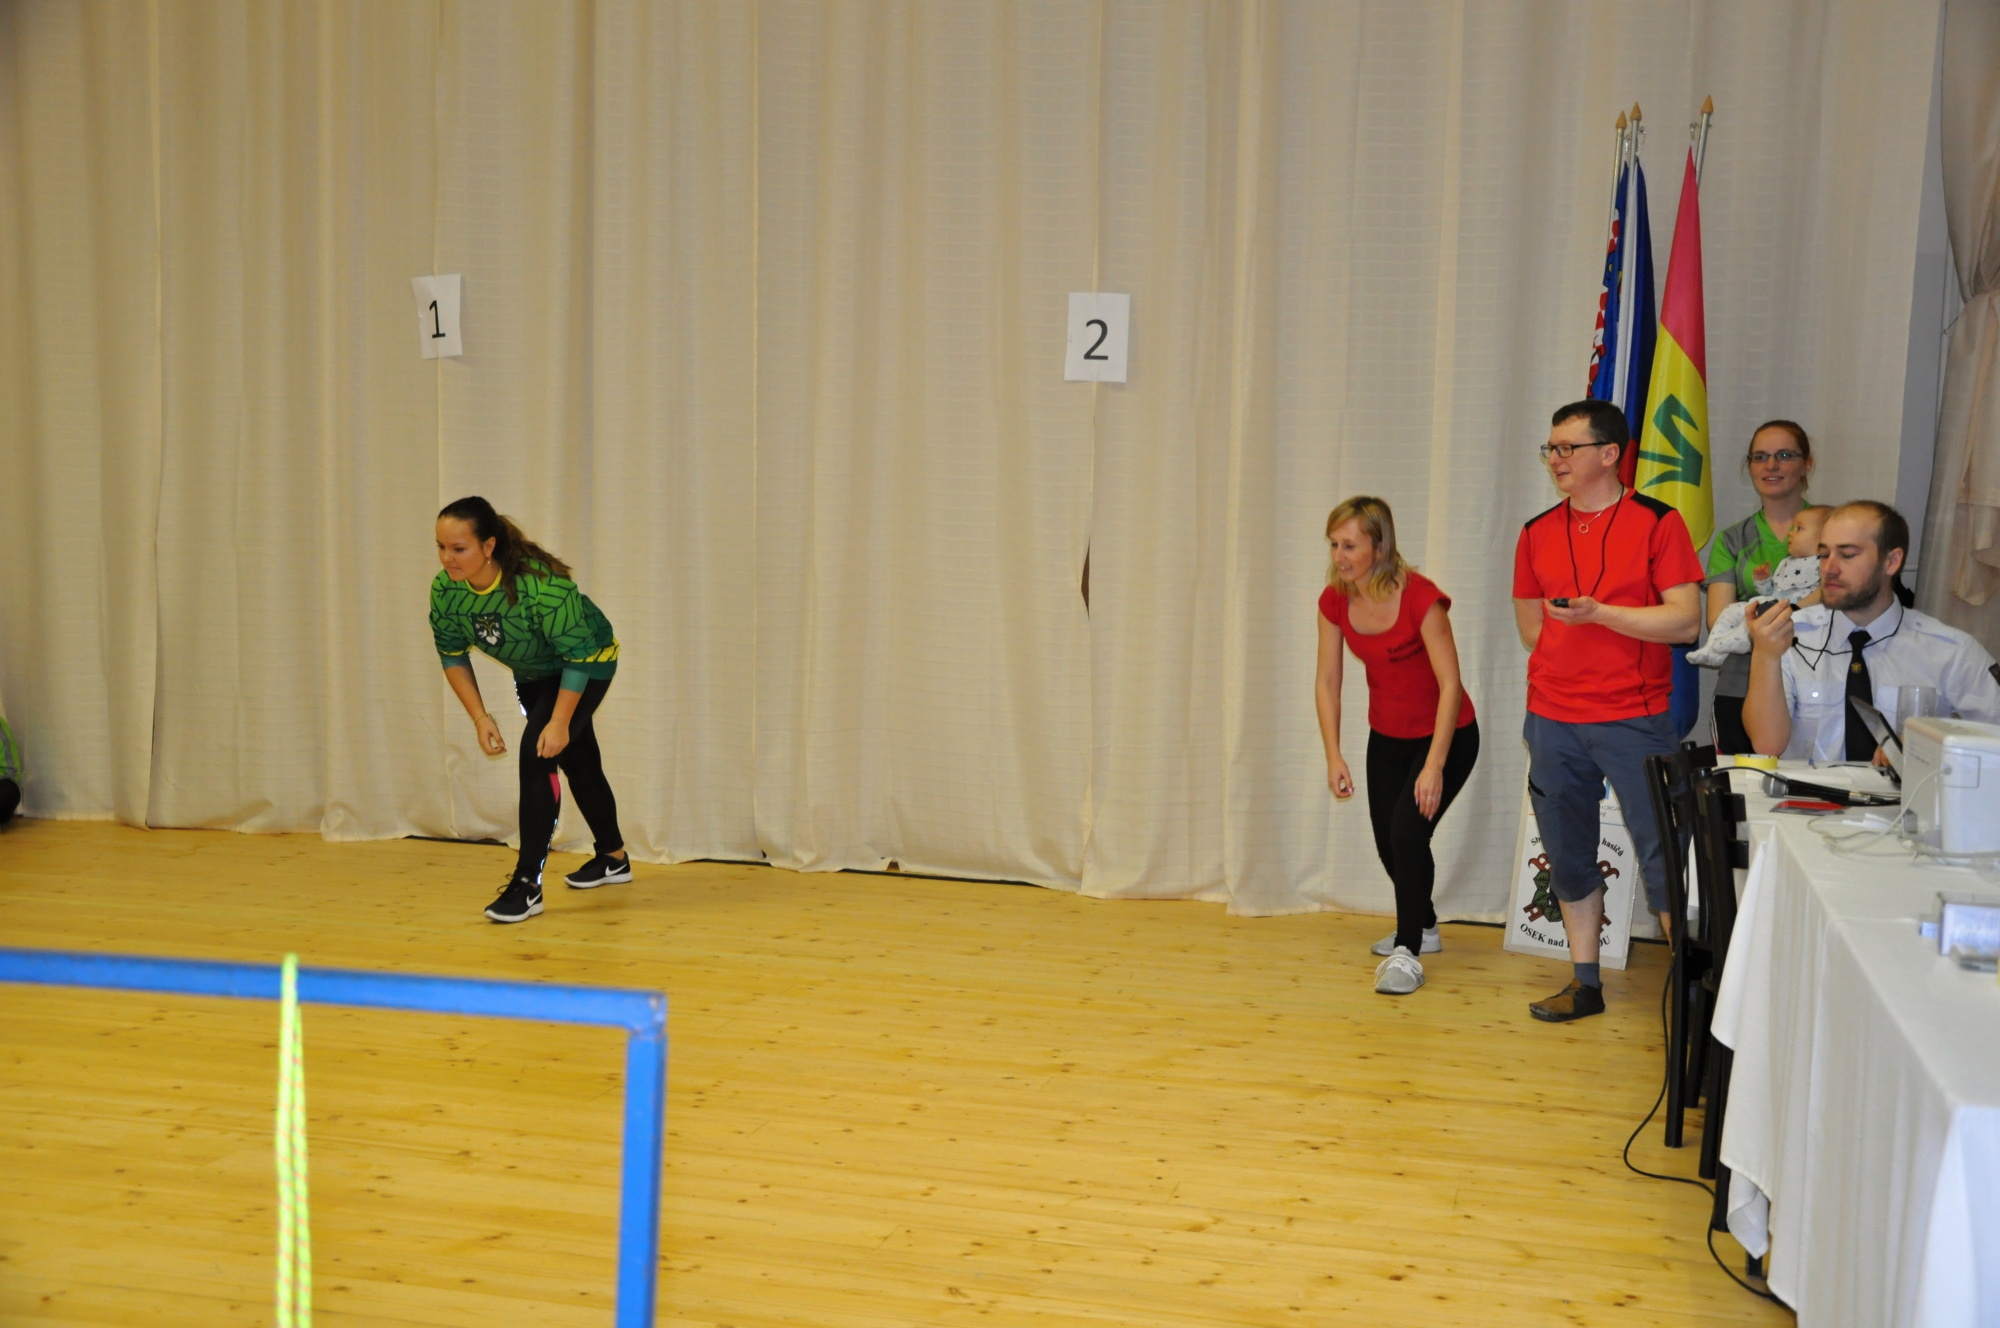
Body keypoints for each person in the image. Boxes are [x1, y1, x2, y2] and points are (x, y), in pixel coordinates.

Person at [1512, 400, 1703, 1022]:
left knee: (1664, 852)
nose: (1556, 459)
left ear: (1610, 453)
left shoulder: (1658, 522)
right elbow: (1530, 626)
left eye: (1568, 447)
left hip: (1634, 719)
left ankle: (1693, 994)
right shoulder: (1536, 531)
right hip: (1553, 718)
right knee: (1567, 852)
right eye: (1551, 448)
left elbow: (1685, 621)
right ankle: (1585, 982)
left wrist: (1601, 616)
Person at [430, 497, 630, 923]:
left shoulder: (543, 588)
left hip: (588, 664)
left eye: (459, 548)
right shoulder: (446, 590)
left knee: (538, 755)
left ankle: (527, 885)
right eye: (442, 547)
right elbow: (452, 654)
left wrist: (559, 721)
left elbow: (578, 657)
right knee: (579, 762)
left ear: (489, 546)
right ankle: (613, 857)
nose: (448, 558)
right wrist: (481, 717)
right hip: (535, 673)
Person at [1315, 496, 1480, 997]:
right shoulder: (1335, 601)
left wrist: (1435, 766)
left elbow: (1450, 686)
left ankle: (1408, 951)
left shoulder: (1421, 600)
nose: (1339, 556)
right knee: (1390, 841)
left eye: (1350, 546)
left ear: (1380, 547)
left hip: (1448, 735)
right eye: (1334, 545)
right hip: (1387, 736)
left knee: (1408, 833)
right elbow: (1327, 681)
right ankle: (1423, 924)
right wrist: (1334, 754)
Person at [1743, 500, 2000, 760]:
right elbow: (1767, 745)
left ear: (1891, 561)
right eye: (1824, 555)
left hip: (1903, 788)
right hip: (1807, 787)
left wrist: (1935, 743)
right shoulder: (1790, 635)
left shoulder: (1949, 650)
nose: (1829, 568)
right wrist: (1766, 655)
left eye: (1847, 555)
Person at [1702, 422, 1816, 752]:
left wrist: (1760, 617)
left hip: (1817, 681)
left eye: (1785, 455)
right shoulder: (1732, 539)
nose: (1771, 466)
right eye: (1760, 457)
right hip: (1741, 686)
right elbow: (1718, 621)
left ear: (1807, 464)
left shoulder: (1835, 528)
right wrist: (1798, 613)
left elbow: (1846, 607)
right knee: (1742, 782)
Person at [1686, 505, 1830, 667]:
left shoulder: (1826, 564)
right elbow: (1772, 591)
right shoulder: (1787, 562)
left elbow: (1823, 596)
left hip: (1793, 617)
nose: (1790, 533)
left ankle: (1741, 640)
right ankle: (1712, 649)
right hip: (1770, 604)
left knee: (1757, 619)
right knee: (1731, 610)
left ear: (1824, 539)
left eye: (1799, 529)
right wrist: (1763, 581)